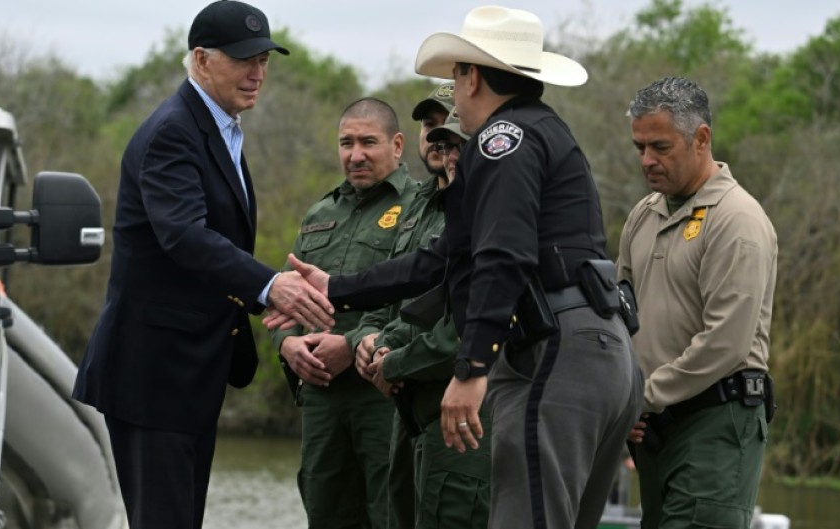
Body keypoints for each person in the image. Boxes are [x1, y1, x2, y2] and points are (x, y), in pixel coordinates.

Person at [269, 6, 643, 528]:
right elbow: (444, 259)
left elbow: (501, 258)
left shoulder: (501, 139)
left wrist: (472, 368)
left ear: (470, 76)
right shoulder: (542, 130)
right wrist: (339, 287)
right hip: (604, 349)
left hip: (555, 351)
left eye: (453, 76)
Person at [72, 2, 333, 528]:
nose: (257, 72)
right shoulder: (173, 131)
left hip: (191, 374)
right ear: (200, 59)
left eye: (263, 59)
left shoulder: (220, 128)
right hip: (154, 377)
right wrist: (268, 286)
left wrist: (265, 295)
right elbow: (185, 236)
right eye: (242, 60)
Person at [618, 76, 778, 529]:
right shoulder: (644, 214)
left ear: (701, 139)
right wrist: (618, 394)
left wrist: (638, 398)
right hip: (653, 429)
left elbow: (724, 344)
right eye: (639, 147)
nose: (647, 160)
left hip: (716, 425)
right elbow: (618, 315)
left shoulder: (738, 220)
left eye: (660, 147)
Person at [271, 97, 420, 529]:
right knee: (325, 511)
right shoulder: (321, 213)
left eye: (368, 142)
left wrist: (351, 343)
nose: (355, 155)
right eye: (346, 143)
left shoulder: (420, 209)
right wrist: (288, 344)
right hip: (321, 399)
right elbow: (286, 299)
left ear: (396, 145)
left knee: (391, 512)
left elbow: (423, 302)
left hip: (384, 394)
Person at [356, 109, 490, 529]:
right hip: (414, 410)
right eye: (445, 145)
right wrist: (380, 342)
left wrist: (393, 361)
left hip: (467, 416)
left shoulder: (496, 221)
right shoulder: (439, 212)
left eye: (461, 148)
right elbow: (424, 301)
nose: (449, 156)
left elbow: (463, 329)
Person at [347, 82, 456, 529]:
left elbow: (465, 315)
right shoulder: (415, 206)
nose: (435, 137)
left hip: (456, 398)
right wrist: (368, 339)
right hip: (405, 402)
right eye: (429, 127)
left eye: (447, 126)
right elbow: (390, 290)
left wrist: (394, 358)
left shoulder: (482, 204)